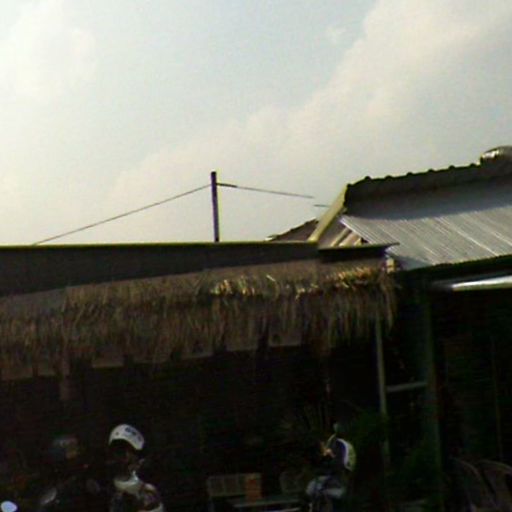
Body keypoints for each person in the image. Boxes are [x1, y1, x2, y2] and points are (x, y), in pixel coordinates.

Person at [108, 424, 164, 512]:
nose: (126, 456)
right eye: (120, 451)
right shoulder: (107, 480)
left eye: (131, 451)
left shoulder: (147, 487)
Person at [305, 422, 356, 511]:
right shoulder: (327, 448)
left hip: (339, 481)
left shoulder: (341, 446)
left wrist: (330, 458)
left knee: (317, 491)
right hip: (327, 481)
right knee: (311, 490)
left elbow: (342, 465)